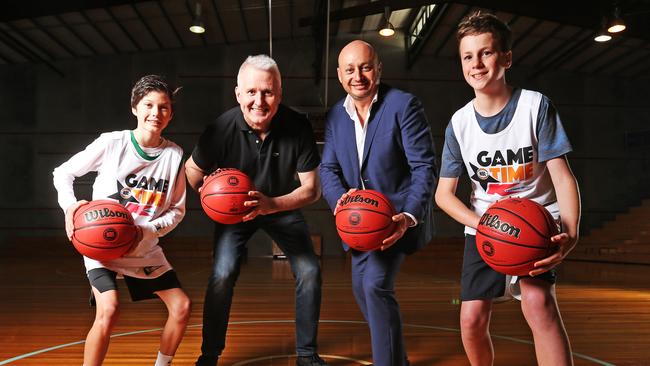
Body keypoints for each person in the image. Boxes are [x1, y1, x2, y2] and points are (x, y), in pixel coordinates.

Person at [435, 11, 581, 366]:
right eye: (468, 56)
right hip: (486, 224)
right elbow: (443, 194)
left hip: (536, 221)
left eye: (486, 53)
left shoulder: (535, 106)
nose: (476, 63)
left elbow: (562, 176)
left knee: (538, 305)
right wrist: (481, 223)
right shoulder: (459, 123)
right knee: (470, 320)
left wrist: (572, 232)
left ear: (506, 58)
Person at [186, 55, 327, 366]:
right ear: (239, 94)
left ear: (279, 93)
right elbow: (192, 170)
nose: (259, 101)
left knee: (310, 271)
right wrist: (208, 190)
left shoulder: (298, 126)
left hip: (279, 204)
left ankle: (306, 355)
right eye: (251, 92)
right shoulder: (220, 128)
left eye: (268, 92)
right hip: (234, 210)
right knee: (222, 274)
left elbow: (312, 189)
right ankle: (209, 354)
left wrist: (271, 204)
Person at [52, 75, 191, 366]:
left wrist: (146, 231)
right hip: (102, 243)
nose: (156, 113)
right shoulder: (113, 143)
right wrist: (70, 208)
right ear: (135, 108)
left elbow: (177, 211)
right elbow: (62, 173)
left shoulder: (175, 155)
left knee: (181, 307)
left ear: (171, 113)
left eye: (164, 107)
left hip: (143, 247)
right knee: (109, 309)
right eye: (149, 105)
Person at [320, 40, 437, 366]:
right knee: (362, 289)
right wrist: (340, 203)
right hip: (357, 222)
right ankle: (398, 360)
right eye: (350, 70)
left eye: (365, 67)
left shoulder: (403, 105)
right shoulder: (335, 116)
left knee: (374, 288)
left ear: (379, 69)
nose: (358, 76)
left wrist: (408, 215)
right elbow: (327, 168)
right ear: (340, 76)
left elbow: (424, 166)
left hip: (393, 219)